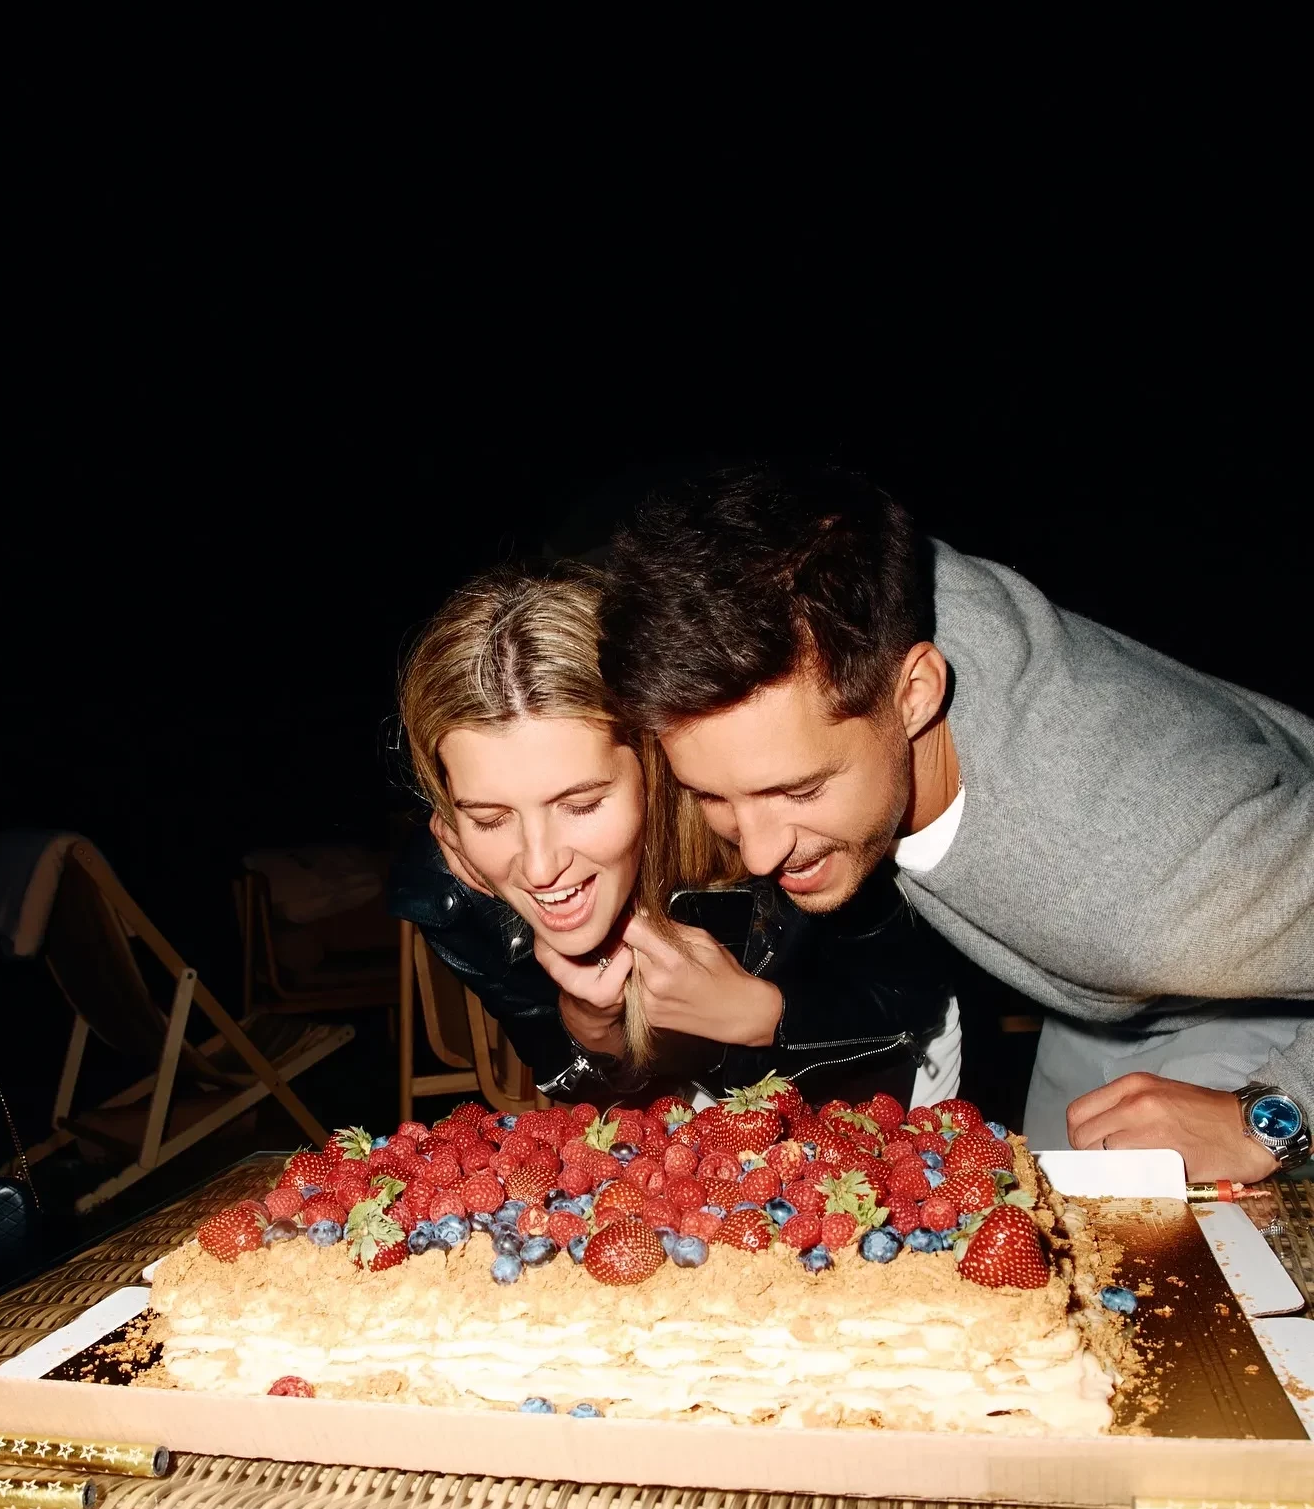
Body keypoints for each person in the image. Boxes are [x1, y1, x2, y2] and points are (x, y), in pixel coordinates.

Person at [597, 463, 1314, 1181]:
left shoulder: (1143, 882)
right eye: (713, 796)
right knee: (1053, 1208)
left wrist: (1275, 1116)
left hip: (1258, 994)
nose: (758, 854)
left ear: (915, 694)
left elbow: (1131, 899)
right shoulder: (841, 581)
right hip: (1106, 998)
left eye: (800, 789)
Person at [388, 567, 955, 1107]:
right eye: (490, 818)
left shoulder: (750, 808)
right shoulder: (452, 890)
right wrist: (592, 1027)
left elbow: (914, 994)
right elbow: (589, 1094)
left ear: (651, 758)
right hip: (698, 1117)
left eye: (581, 805)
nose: (539, 867)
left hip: (878, 1083)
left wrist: (760, 1014)